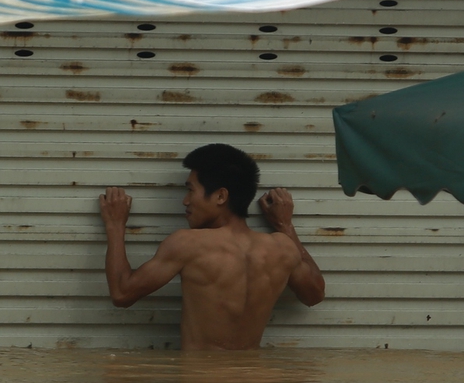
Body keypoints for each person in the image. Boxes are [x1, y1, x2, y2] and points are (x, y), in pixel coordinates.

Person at [98, 143, 326, 351]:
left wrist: (115, 225)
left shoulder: (188, 244)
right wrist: (285, 226)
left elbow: (122, 293)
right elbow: (314, 294)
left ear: (220, 196)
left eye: (190, 190)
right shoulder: (281, 248)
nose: (185, 201)